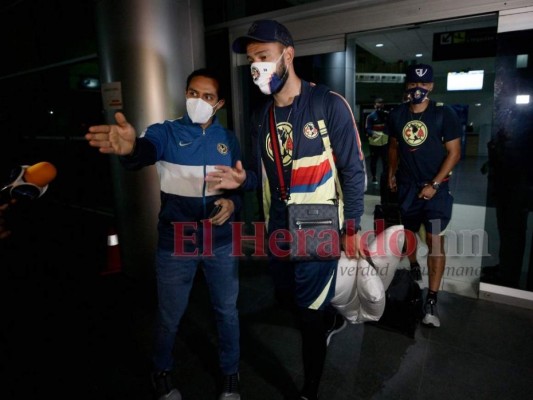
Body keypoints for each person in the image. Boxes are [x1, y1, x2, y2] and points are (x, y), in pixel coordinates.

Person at [206, 20, 366, 400]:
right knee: (286, 297)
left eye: (264, 56)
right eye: (251, 60)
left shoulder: (328, 103)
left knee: (308, 315)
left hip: (318, 224)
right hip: (278, 224)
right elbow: (264, 178)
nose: (256, 66)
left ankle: (310, 389)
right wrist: (239, 183)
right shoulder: (261, 116)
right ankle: (323, 314)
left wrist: (353, 227)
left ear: (287, 55)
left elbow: (353, 169)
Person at [85, 69, 243, 400]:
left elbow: (239, 185)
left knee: (227, 312)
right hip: (176, 242)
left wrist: (232, 201)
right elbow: (143, 151)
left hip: (221, 241)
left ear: (220, 103)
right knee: (170, 315)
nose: (198, 101)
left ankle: (231, 374)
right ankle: (161, 370)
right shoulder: (166, 132)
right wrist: (130, 150)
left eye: (207, 96)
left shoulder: (228, 139)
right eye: (192, 93)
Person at [387, 63, 461, 328]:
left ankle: (431, 298)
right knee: (408, 235)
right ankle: (413, 264)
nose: (418, 89)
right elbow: (394, 145)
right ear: (407, 85)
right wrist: (391, 172)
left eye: (424, 84)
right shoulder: (397, 115)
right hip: (408, 189)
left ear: (431, 86)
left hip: (436, 191)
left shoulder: (444, 114)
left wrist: (435, 184)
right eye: (413, 84)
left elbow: (454, 153)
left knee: (435, 239)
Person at [365, 97, 389, 184]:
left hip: (385, 142)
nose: (379, 106)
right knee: (374, 161)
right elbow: (367, 129)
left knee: (385, 161)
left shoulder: (387, 115)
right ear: (375, 105)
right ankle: (374, 177)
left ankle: (386, 176)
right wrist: (372, 133)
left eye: (381, 104)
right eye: (377, 104)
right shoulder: (370, 116)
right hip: (374, 143)